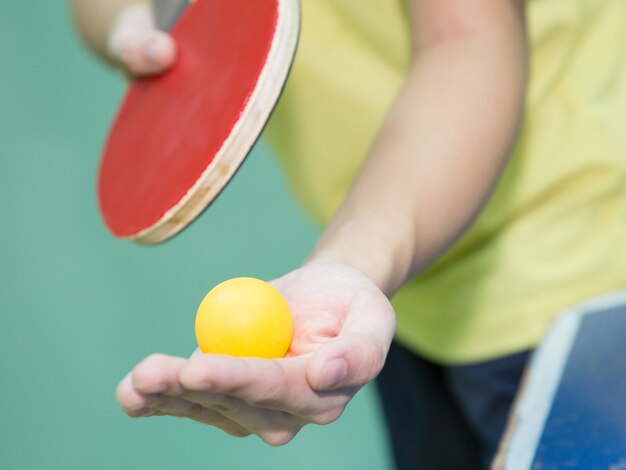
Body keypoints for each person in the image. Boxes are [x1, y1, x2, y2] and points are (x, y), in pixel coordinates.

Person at [71, 1, 626, 468]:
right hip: (399, 293)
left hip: (568, 274)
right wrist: (128, 26)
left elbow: (465, 39)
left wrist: (350, 266)